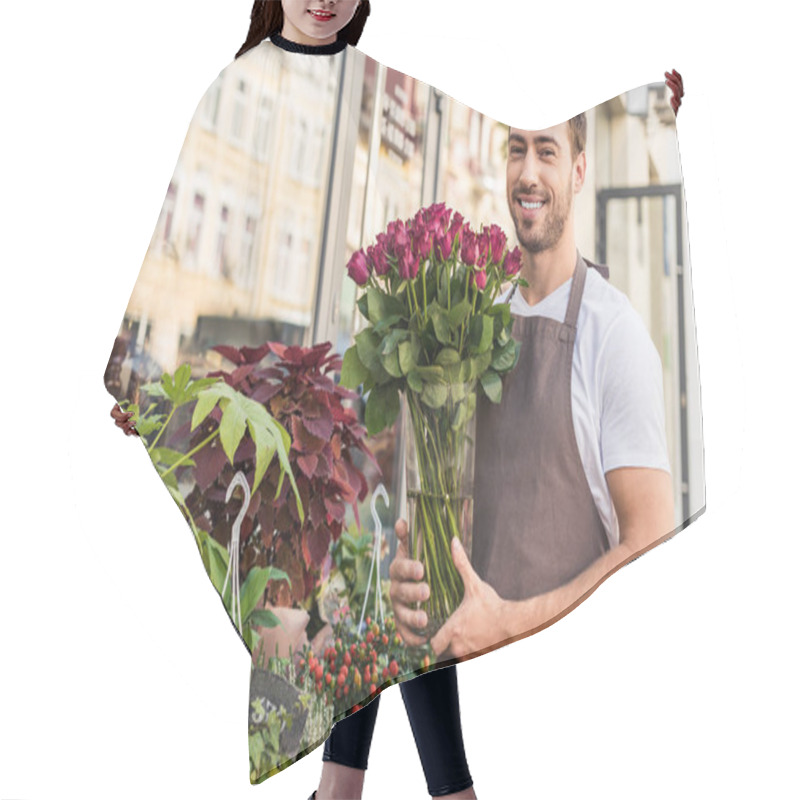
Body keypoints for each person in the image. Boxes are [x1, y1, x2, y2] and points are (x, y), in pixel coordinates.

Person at [109, 2, 475, 799]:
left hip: (370, 384)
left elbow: (481, 185)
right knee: (366, 587)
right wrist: (150, 379)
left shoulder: (379, 90)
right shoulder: (239, 82)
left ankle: (347, 789)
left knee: (382, 585)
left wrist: (639, 124)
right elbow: (182, 231)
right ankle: (425, 791)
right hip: (276, 392)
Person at [390, 98, 682, 664]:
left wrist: (506, 626)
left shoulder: (613, 333)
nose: (528, 172)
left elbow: (650, 542)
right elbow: (456, 509)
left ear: (578, 170)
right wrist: (418, 586)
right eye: (516, 149)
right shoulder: (474, 320)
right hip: (462, 672)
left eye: (546, 151)